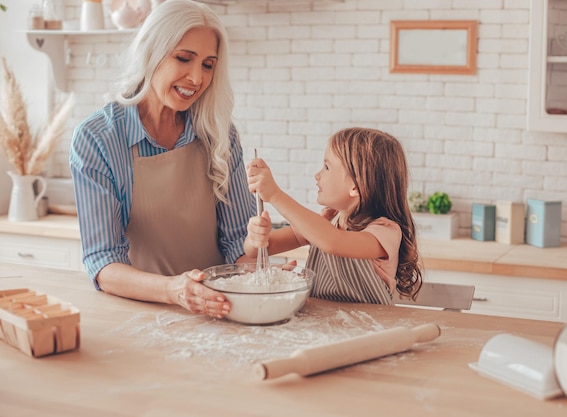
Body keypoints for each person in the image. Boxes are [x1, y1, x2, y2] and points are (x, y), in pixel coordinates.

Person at [69, 0, 256, 318]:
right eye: (184, 58)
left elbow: (239, 241)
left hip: (218, 309)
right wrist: (175, 290)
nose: (196, 78)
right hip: (143, 314)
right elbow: (103, 262)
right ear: (151, 51)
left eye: (208, 65)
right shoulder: (98, 138)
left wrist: (258, 276)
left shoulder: (218, 133)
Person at [245, 127, 422, 305]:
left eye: (327, 167)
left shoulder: (385, 232)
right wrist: (256, 237)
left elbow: (333, 242)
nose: (317, 175)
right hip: (322, 327)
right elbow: (255, 251)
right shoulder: (325, 224)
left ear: (355, 185)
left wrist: (275, 195)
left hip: (367, 329)